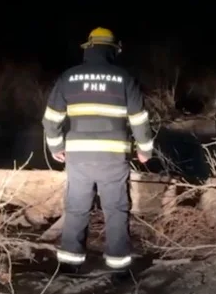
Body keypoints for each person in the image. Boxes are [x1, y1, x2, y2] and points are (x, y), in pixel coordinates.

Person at [41, 27, 154, 274]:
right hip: (113, 158)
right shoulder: (124, 78)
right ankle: (119, 267)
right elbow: (139, 119)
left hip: (78, 157)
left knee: (76, 207)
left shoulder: (68, 77)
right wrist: (146, 150)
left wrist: (56, 146)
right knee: (115, 209)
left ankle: (70, 263)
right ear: (113, 50)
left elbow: (51, 119)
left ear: (88, 48)